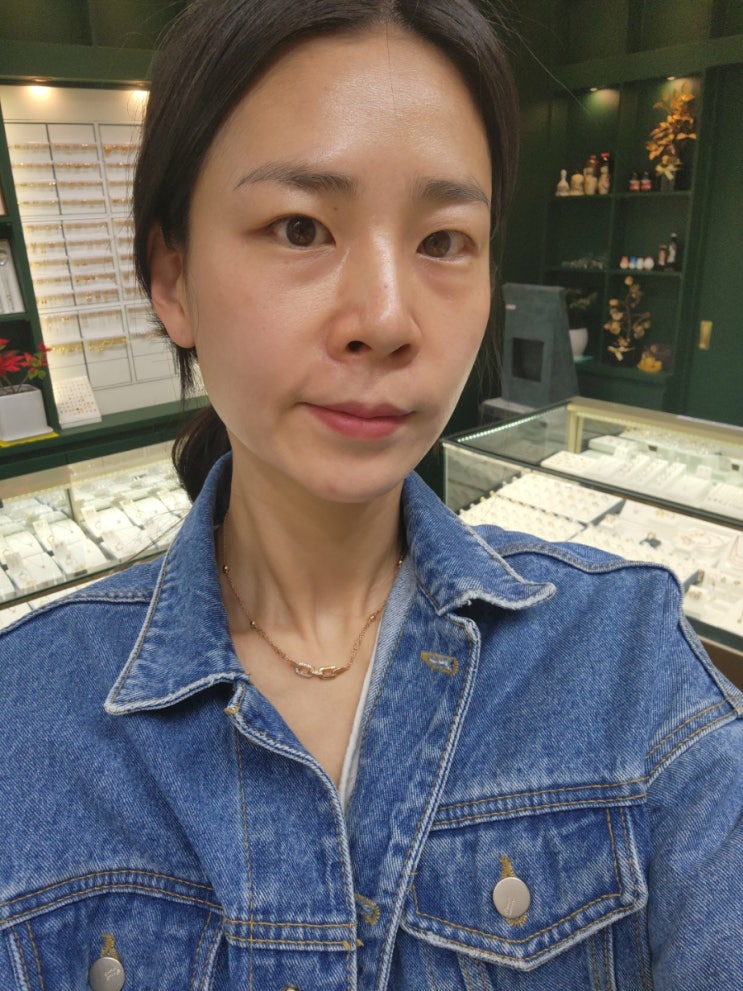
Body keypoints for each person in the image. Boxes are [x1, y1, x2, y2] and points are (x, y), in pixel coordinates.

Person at [0, 0, 741, 987]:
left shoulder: (624, 658)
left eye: (443, 241)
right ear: (171, 276)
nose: (386, 319)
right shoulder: (26, 722)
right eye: (300, 227)